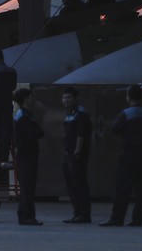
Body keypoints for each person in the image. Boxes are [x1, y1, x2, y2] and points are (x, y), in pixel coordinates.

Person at [101, 84, 142, 227]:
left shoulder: (126, 113)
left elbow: (115, 128)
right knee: (141, 189)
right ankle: (137, 219)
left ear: (128, 97)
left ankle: (117, 218)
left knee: (122, 187)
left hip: (128, 153)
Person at [60, 86, 92, 224]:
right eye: (64, 97)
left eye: (68, 97)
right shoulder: (69, 114)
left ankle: (84, 214)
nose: (65, 100)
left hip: (76, 155)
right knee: (71, 185)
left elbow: (81, 134)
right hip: (68, 153)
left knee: (79, 184)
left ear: (75, 98)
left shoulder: (81, 114)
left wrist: (77, 151)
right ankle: (77, 213)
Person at [13, 87, 43, 226]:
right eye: (31, 97)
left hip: (25, 154)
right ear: (26, 99)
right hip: (27, 154)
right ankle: (27, 216)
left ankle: (26, 215)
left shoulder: (22, 114)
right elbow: (34, 133)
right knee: (27, 187)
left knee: (27, 186)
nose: (33, 99)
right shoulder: (24, 116)